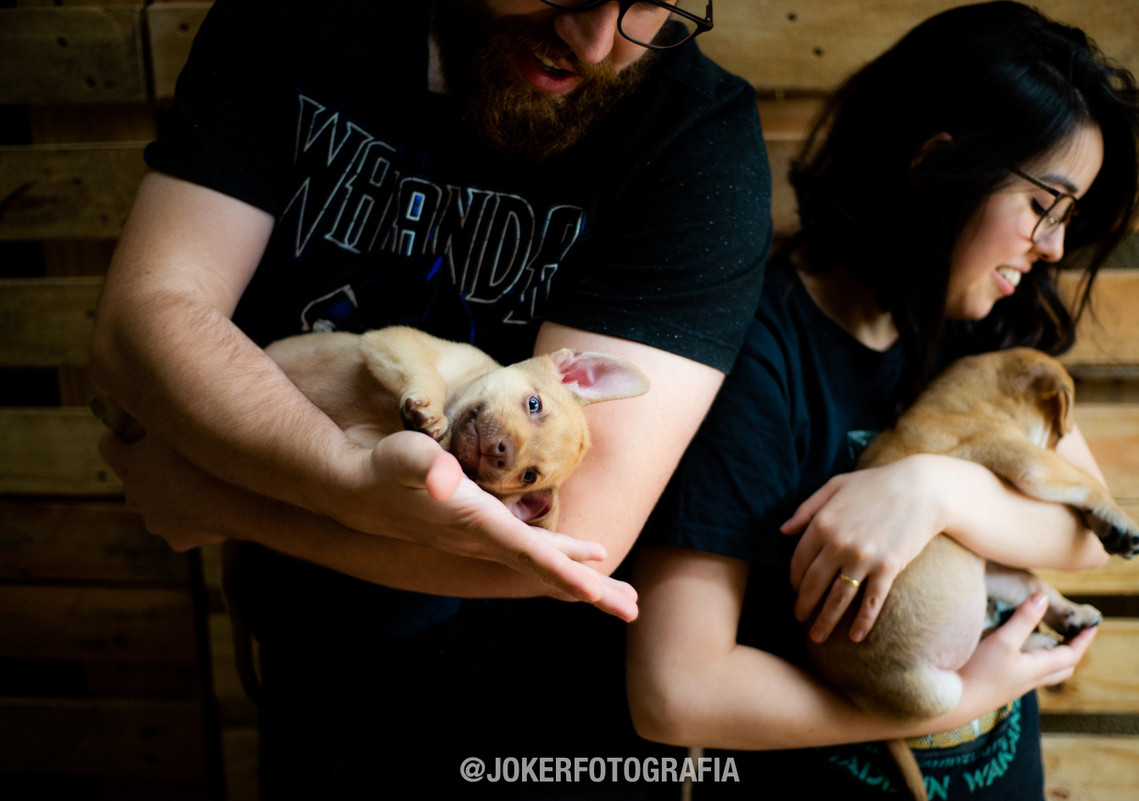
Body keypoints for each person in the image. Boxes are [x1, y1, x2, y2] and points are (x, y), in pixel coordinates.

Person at [90, 0, 771, 797]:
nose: (593, 43)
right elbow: (144, 321)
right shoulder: (293, 21)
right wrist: (346, 483)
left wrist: (221, 490)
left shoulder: (692, 136)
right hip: (316, 671)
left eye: (651, 5)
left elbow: (569, 542)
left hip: (548, 720)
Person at [626, 3, 1139, 798]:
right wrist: (960, 696)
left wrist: (934, 491)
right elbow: (677, 693)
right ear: (936, 164)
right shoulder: (760, 353)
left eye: (1069, 217)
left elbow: (1094, 530)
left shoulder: (986, 324)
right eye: (1044, 204)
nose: (1052, 246)